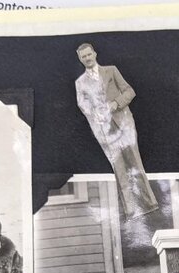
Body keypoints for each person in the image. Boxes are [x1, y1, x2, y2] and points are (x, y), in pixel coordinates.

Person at [74, 42, 159, 220]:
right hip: (104, 130)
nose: (87, 59)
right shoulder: (80, 82)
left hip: (123, 122)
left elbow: (130, 91)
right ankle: (131, 210)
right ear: (80, 60)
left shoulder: (111, 70)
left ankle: (150, 203)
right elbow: (83, 105)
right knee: (118, 166)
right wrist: (94, 112)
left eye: (89, 55)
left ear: (95, 54)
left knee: (135, 161)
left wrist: (115, 103)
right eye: (84, 57)